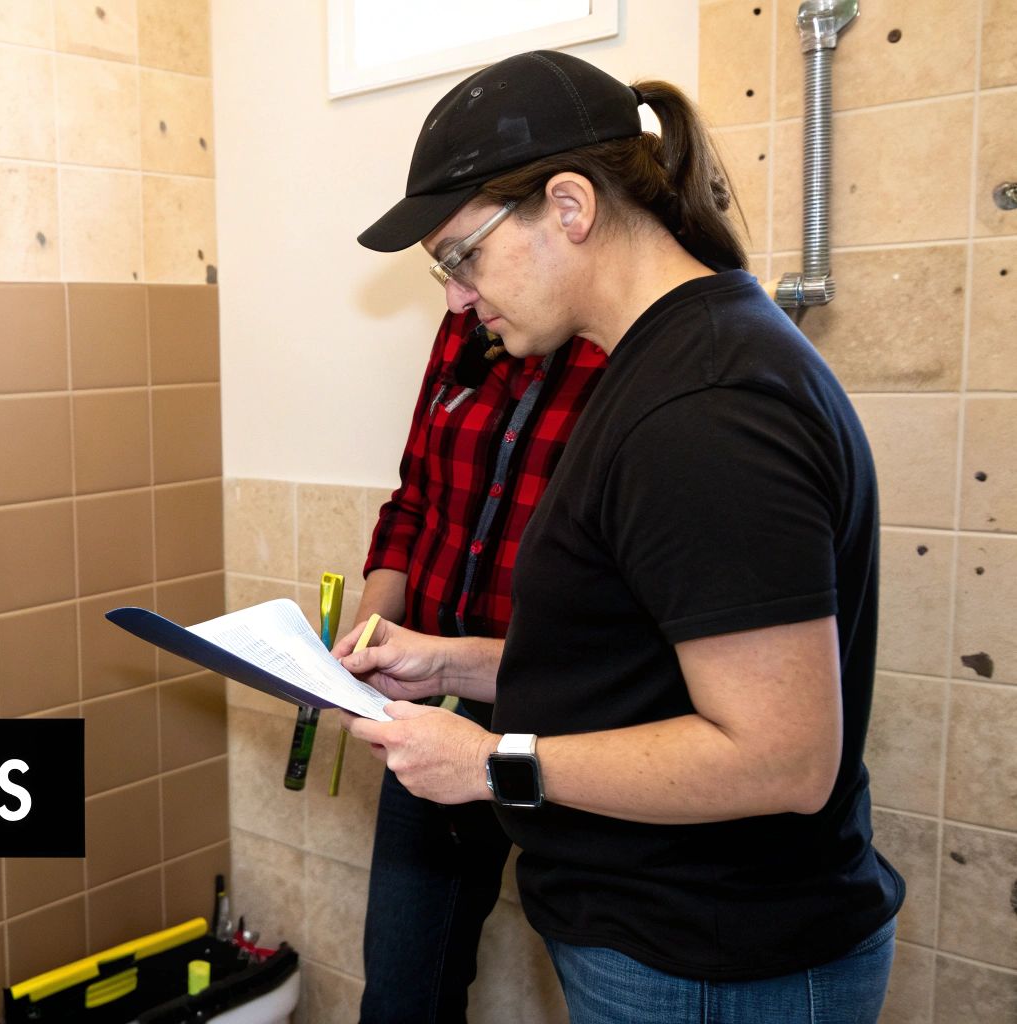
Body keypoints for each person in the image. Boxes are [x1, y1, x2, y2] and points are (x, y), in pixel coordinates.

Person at [334, 50, 901, 1023]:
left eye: (461, 257)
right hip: (666, 941)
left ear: (568, 205)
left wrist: (486, 763)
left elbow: (779, 759)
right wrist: (450, 665)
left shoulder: (704, 403)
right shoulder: (662, 364)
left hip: (714, 958)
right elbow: (632, 669)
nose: (456, 300)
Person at [351, 301, 603, 1023]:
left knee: (611, 985)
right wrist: (372, 635)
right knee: (403, 996)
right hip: (434, 701)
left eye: (463, 251)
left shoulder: (630, 344)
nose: (458, 292)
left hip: (573, 712)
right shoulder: (468, 321)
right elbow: (413, 501)